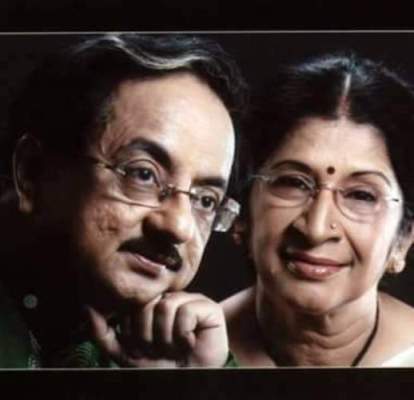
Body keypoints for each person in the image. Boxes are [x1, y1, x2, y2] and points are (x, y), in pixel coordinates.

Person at [0, 33, 245, 368]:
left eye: (205, 200)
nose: (180, 226)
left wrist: (195, 381)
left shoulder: (172, 355)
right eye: (143, 174)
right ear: (33, 173)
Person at [223, 52, 414, 367]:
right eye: (293, 183)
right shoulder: (185, 358)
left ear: (403, 238)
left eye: (362, 195)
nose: (316, 228)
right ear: (243, 212)